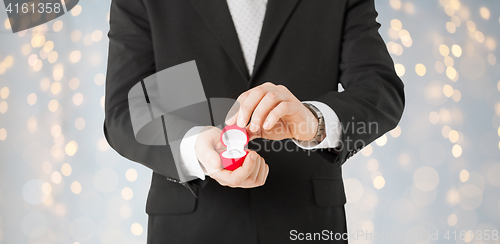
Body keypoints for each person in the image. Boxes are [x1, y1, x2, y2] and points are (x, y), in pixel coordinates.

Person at [104, 0, 405, 243]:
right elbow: (124, 110)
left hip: (306, 223)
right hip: (189, 227)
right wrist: (195, 148)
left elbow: (380, 89)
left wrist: (313, 122)